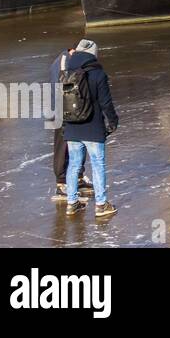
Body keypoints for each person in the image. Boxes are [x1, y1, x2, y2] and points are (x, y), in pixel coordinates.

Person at [61, 39, 119, 219]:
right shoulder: (98, 74)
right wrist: (113, 121)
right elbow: (105, 103)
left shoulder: (66, 73)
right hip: (93, 128)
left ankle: (72, 203)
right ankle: (101, 205)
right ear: (94, 55)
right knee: (97, 164)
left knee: (74, 165)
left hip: (71, 127)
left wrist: (64, 125)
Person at [50, 45, 92, 203]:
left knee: (76, 143)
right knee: (63, 146)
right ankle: (61, 183)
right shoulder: (64, 62)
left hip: (67, 108)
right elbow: (67, 83)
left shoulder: (67, 60)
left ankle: (78, 177)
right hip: (61, 109)